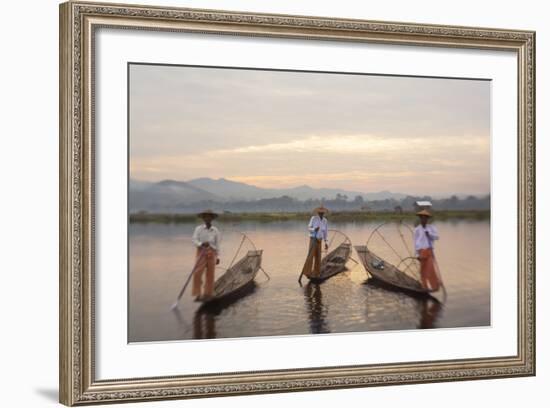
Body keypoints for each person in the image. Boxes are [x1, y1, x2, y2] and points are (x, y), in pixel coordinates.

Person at [191, 209, 221, 301]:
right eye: (205, 216)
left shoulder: (215, 230)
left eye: (209, 216)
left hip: (212, 253)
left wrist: (218, 256)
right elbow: (194, 240)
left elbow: (217, 244)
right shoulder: (198, 229)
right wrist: (201, 244)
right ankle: (198, 294)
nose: (207, 218)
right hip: (201, 252)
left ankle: (208, 294)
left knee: (210, 274)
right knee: (197, 273)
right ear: (203, 218)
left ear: (212, 218)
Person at [414, 209, 440, 291]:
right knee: (422, 270)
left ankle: (434, 286)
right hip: (421, 251)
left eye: (425, 218)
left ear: (427, 219)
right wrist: (417, 254)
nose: (423, 219)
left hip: (429, 250)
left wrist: (430, 234)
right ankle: (424, 287)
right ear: (420, 218)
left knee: (430, 269)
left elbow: (437, 237)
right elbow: (415, 242)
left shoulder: (431, 228)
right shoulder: (417, 229)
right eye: (422, 218)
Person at [301, 206, 329, 278]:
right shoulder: (313, 218)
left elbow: (325, 232)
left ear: (324, 213)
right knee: (310, 256)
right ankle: (307, 272)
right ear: (318, 212)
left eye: (322, 213)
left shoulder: (325, 220)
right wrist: (314, 229)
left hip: (320, 240)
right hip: (313, 239)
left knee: (318, 256)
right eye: (320, 213)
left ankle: (317, 272)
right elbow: (309, 228)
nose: (321, 214)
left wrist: (326, 242)